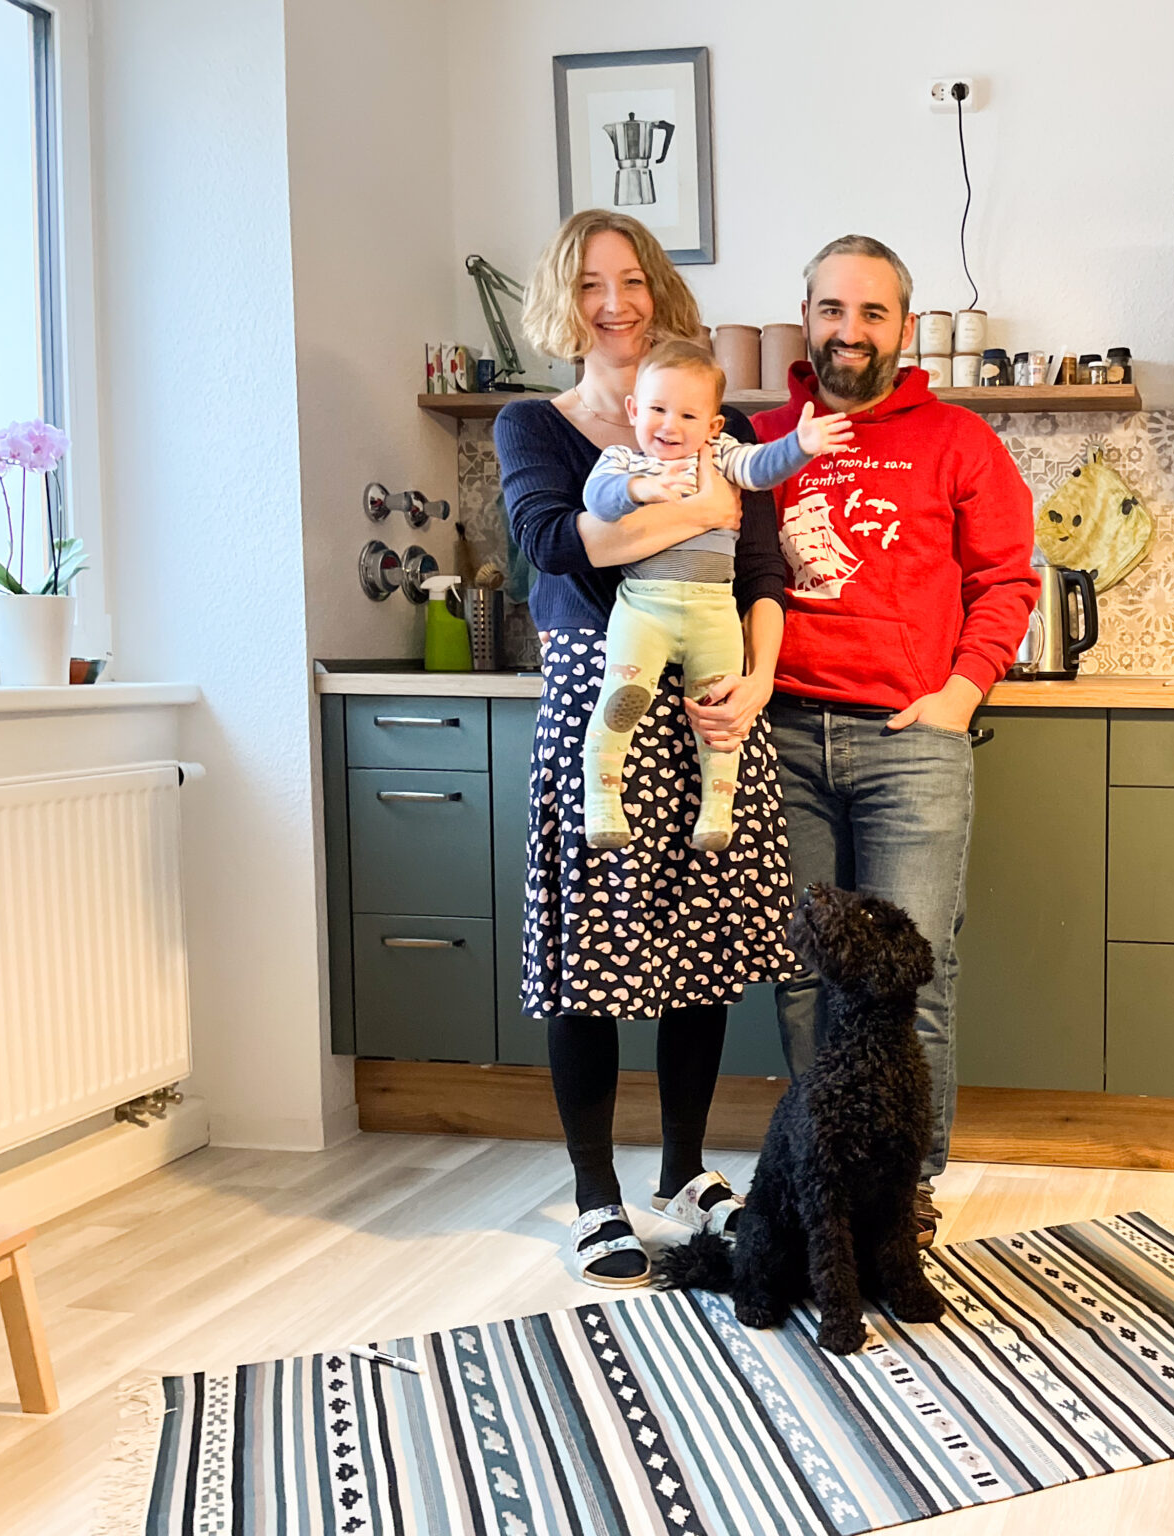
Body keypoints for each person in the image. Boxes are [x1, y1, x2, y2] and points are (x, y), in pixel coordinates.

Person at [494, 210, 797, 1289]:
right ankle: (593, 1195)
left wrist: (756, 683)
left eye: (630, 280)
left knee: (699, 949)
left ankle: (680, 1172)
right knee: (588, 956)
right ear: (561, 301)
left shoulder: (728, 422)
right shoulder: (534, 425)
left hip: (712, 695)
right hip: (602, 701)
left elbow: (761, 566)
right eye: (589, 284)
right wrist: (699, 501)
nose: (613, 303)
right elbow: (552, 544)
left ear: (659, 289)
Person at [751, 234, 1038, 1248]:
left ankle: (904, 1189)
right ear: (805, 318)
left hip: (910, 740)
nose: (851, 331)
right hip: (782, 737)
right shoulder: (760, 443)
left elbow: (1007, 579)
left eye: (873, 313)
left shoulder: (958, 440)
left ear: (904, 329)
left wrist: (961, 692)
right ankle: (824, 1179)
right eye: (833, 309)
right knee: (803, 975)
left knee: (911, 973)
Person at [580, 339, 851, 851]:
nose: (670, 425)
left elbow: (762, 467)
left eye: (688, 415)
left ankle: (716, 812)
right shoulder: (623, 460)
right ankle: (602, 802)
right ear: (634, 410)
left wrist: (800, 446)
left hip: (714, 609)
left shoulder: (722, 455)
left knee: (720, 713)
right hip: (644, 606)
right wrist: (639, 489)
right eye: (657, 409)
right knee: (620, 698)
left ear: (713, 425)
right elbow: (597, 499)